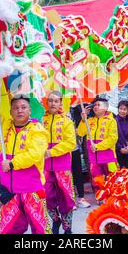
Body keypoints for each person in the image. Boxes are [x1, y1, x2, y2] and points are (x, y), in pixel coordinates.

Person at [0, 95, 50, 234]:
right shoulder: (5, 129)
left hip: (31, 189)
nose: (19, 111)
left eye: (23, 107)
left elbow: (35, 154)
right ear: (10, 112)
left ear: (30, 110)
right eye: (15, 108)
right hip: (9, 190)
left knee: (40, 229)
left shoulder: (37, 130)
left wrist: (12, 164)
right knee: (8, 229)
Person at [43, 91, 76, 234]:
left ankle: (67, 227)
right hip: (44, 166)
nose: (53, 103)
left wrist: (52, 152)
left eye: (56, 101)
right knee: (46, 196)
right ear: (46, 102)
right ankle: (55, 220)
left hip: (62, 165)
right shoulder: (40, 120)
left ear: (60, 103)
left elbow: (70, 143)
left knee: (66, 197)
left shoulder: (66, 121)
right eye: (50, 100)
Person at [77, 97, 118, 190]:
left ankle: (114, 197)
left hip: (108, 156)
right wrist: (83, 120)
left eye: (98, 105)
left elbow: (113, 138)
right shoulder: (90, 121)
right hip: (94, 157)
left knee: (112, 178)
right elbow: (80, 133)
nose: (95, 107)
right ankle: (100, 196)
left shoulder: (111, 121)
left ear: (105, 108)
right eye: (94, 105)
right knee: (97, 179)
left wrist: (97, 146)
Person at [69, 105, 91, 209]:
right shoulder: (55, 112)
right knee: (67, 175)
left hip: (74, 147)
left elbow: (81, 132)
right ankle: (70, 199)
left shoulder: (75, 111)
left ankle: (81, 198)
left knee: (78, 173)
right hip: (61, 150)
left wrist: (83, 120)